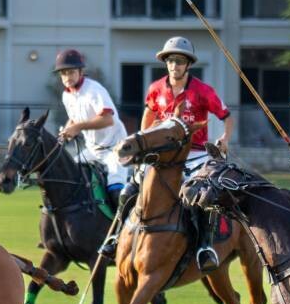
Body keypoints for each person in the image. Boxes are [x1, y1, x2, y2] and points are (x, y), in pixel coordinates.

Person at [101, 36, 233, 271]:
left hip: (196, 154)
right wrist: (143, 141)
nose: (175, 66)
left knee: (200, 197)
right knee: (129, 190)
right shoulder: (155, 89)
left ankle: (204, 247)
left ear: (188, 64)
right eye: (171, 61)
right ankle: (116, 237)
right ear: (166, 63)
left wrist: (224, 138)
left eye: (180, 61)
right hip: (163, 154)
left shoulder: (203, 91)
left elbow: (226, 117)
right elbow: (149, 116)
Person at [54, 49, 130, 208]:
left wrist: (78, 127)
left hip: (116, 149)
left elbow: (108, 119)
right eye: (63, 73)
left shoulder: (94, 90)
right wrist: (65, 133)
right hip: (92, 151)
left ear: (81, 71)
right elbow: (74, 118)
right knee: (70, 176)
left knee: (116, 191)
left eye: (71, 72)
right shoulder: (66, 95)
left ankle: (124, 227)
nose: (67, 77)